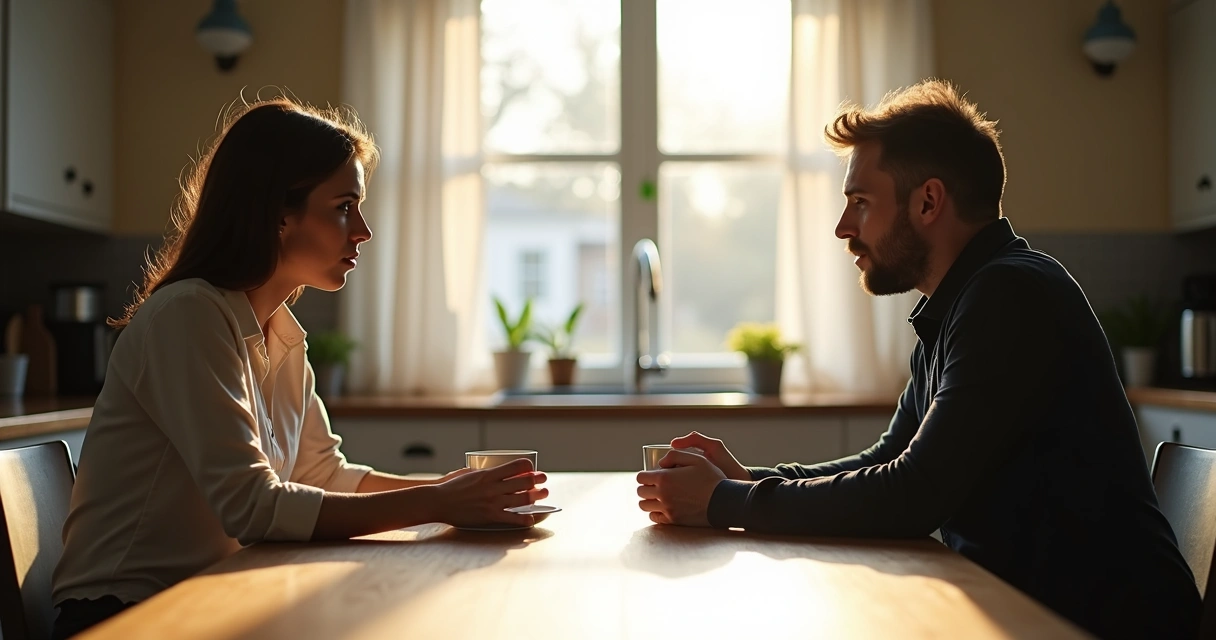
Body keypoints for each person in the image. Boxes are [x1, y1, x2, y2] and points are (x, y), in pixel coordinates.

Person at [635, 80, 1202, 639]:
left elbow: (911, 495)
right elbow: (890, 459)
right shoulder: (959, 305)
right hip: (1027, 612)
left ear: (928, 201)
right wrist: (747, 480)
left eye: (861, 202)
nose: (843, 227)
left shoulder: (1009, 295)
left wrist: (725, 501)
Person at [49, 98, 547, 639]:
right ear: (278, 214)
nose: (363, 230)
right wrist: (437, 502)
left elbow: (322, 476)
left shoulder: (279, 332)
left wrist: (450, 491)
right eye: (344, 207)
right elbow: (252, 507)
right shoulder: (187, 315)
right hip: (123, 615)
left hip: (213, 598)